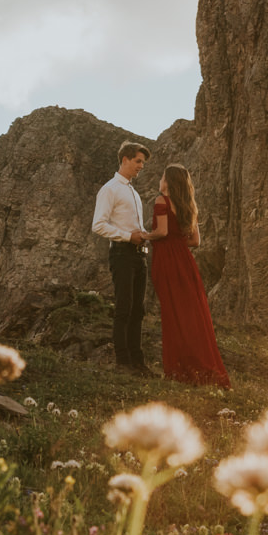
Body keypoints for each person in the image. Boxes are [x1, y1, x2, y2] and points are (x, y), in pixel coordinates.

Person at [148, 163, 230, 387]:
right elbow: (195, 241)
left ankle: (180, 369)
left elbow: (162, 232)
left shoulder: (161, 201)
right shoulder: (188, 205)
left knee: (172, 313)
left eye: (162, 176)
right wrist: (177, 241)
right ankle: (200, 366)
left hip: (166, 261)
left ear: (167, 181)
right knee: (191, 314)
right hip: (185, 261)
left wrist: (143, 235)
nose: (160, 180)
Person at [92, 140, 151, 372]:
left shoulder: (133, 192)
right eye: (138, 161)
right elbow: (98, 225)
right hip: (122, 254)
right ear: (125, 160)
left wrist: (143, 235)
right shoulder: (110, 189)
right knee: (124, 308)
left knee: (138, 309)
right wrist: (128, 237)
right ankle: (123, 362)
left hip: (139, 255)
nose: (141, 166)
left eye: (143, 163)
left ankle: (138, 362)